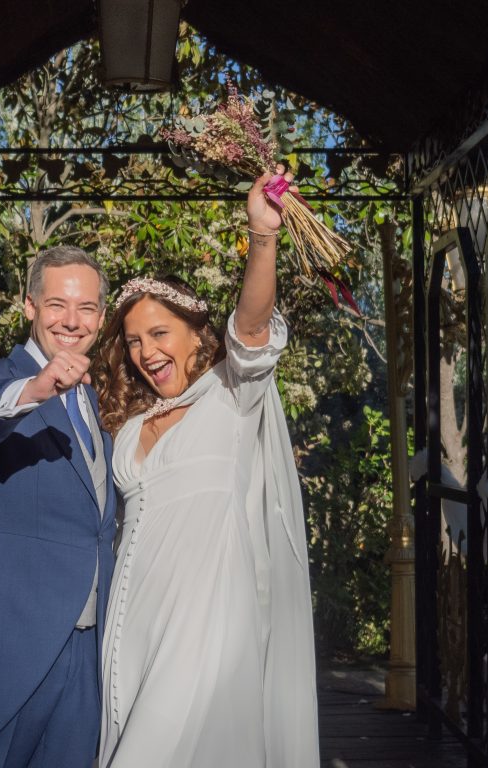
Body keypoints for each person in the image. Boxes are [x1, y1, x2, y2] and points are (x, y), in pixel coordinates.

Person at [93, 168, 319, 767]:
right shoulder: (133, 424)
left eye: (160, 333)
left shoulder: (230, 396)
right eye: (134, 341)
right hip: (134, 617)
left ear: (199, 334)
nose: (146, 353)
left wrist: (261, 235)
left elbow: (250, 329)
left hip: (206, 618)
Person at [0, 246, 117, 768]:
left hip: (89, 647)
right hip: (6, 643)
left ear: (101, 314)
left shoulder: (100, 398)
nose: (72, 322)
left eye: (87, 308)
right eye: (57, 305)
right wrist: (34, 388)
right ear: (28, 306)